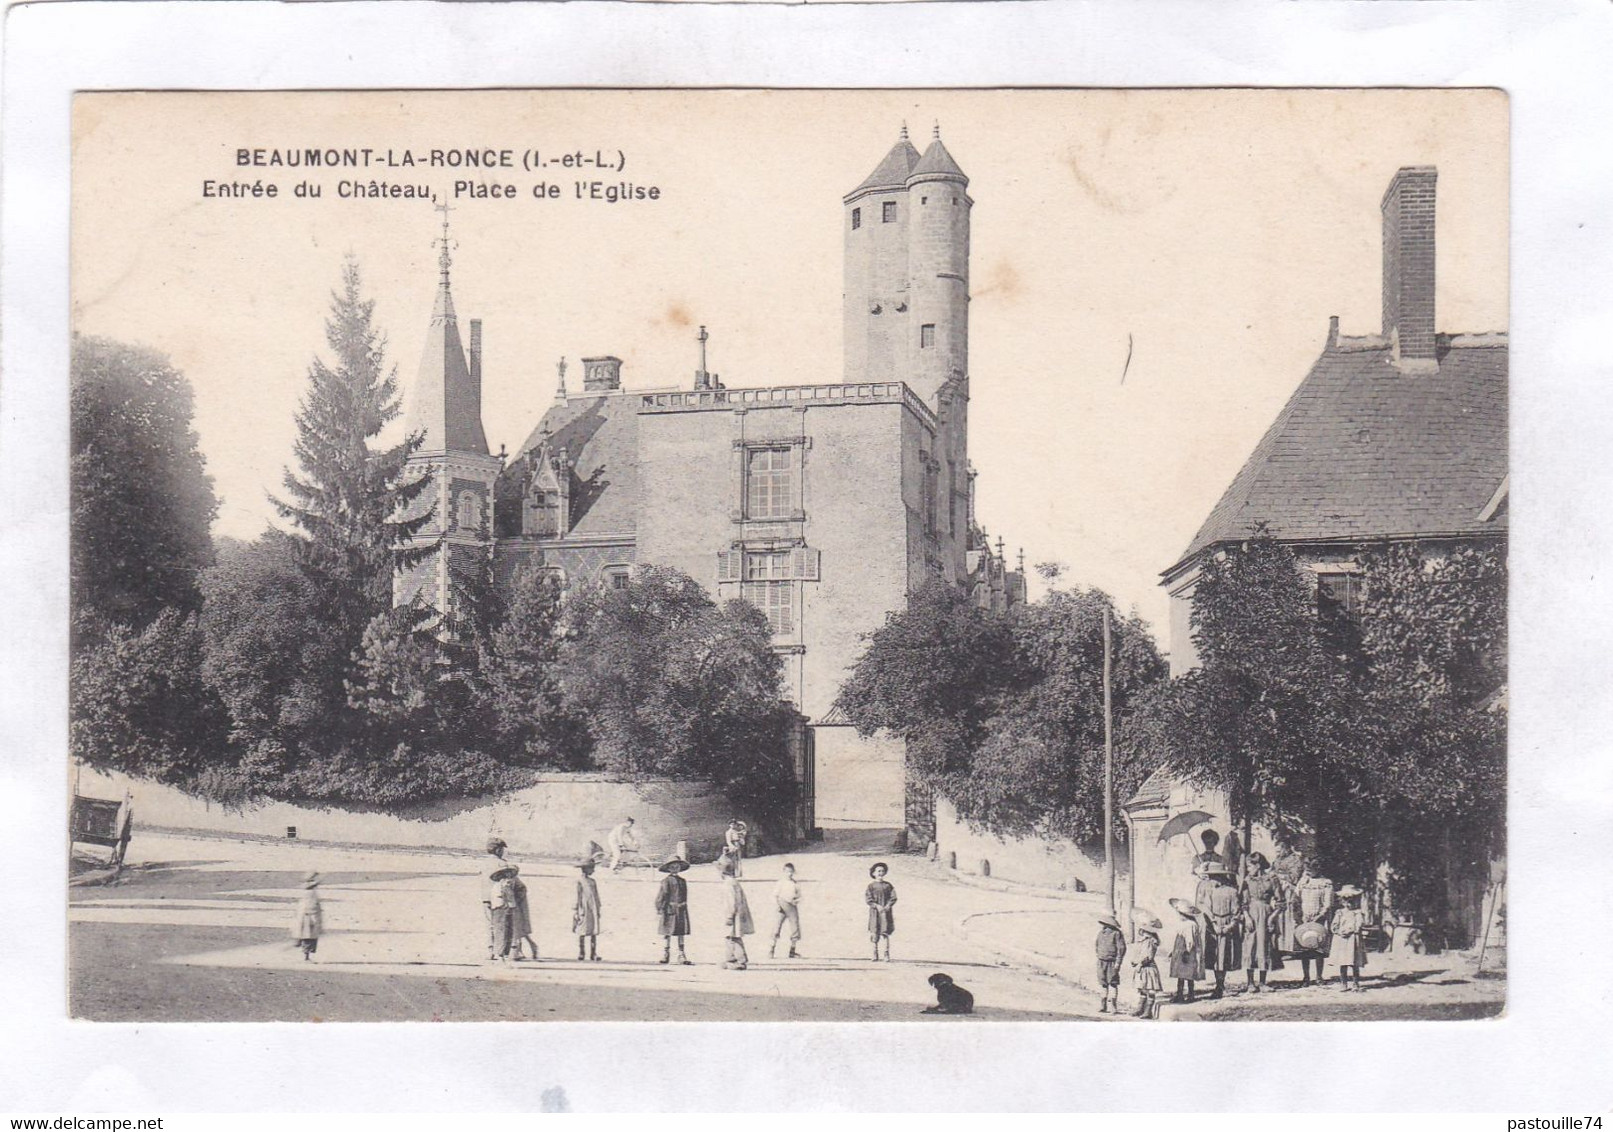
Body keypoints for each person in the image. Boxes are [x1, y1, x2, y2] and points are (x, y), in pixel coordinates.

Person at [1240, 852, 1283, 993]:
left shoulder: (1272, 879)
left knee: (1264, 945)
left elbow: (1281, 902)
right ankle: (1250, 983)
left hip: (1266, 914)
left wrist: (1272, 917)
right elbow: (1243, 902)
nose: (1248, 869)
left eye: (1249, 866)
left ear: (1258, 865)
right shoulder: (1246, 881)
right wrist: (1246, 916)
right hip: (1251, 913)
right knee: (1250, 945)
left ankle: (1263, 982)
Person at [1199, 864, 1242, 999]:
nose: (1211, 880)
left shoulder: (1232, 891)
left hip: (1227, 925)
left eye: (1213, 877)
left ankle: (1220, 984)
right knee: (1215, 956)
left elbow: (1237, 911)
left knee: (1224, 956)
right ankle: (1218, 984)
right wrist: (1214, 924)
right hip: (1214, 925)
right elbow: (1207, 909)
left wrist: (1230, 926)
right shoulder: (1211, 891)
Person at [1291, 863, 1336, 986]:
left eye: (1311, 870)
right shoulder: (1303, 882)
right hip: (1304, 917)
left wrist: (1320, 916)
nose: (1309, 873)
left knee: (1318, 947)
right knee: (1304, 947)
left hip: (1319, 917)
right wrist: (1300, 916)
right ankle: (1306, 977)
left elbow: (1328, 903)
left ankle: (1319, 976)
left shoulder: (1325, 883)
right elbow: (1296, 898)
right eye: (1307, 870)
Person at [654, 852, 693, 965]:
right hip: (669, 910)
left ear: (680, 868)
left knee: (681, 932)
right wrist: (660, 909)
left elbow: (684, 896)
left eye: (677, 866)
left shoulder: (683, 881)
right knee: (668, 932)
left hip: (681, 910)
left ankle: (681, 954)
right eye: (672, 866)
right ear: (668, 868)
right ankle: (665, 953)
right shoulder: (666, 881)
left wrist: (683, 906)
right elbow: (661, 896)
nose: (675, 868)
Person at [1329, 884, 1369, 992]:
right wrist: (1338, 931)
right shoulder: (1340, 912)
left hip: (1353, 939)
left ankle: (1355, 983)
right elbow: (1334, 925)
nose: (1349, 903)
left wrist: (1350, 930)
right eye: (1346, 900)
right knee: (1343, 962)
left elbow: (1359, 925)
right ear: (1342, 901)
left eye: (1351, 900)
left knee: (1354, 962)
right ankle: (1344, 983)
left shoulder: (1357, 913)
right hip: (1342, 940)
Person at [719, 855, 754, 970]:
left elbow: (731, 902)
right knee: (729, 937)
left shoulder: (728, 884)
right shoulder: (733, 882)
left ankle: (741, 960)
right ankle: (730, 959)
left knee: (734, 937)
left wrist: (729, 916)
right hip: (736, 914)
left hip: (733, 915)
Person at [1167, 897, 1204, 1003]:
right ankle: (1180, 994)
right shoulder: (1184, 924)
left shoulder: (1190, 925)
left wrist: (1187, 952)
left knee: (1189, 975)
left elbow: (1190, 940)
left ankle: (1191, 995)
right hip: (1182, 952)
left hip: (1187, 954)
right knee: (1181, 975)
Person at [1130, 912, 1165, 1019]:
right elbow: (1139, 953)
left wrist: (1141, 963)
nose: (1140, 931)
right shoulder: (1143, 941)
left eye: (1143, 929)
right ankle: (1140, 1008)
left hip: (1148, 967)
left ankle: (1148, 1010)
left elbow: (1148, 956)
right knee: (1142, 988)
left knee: (1150, 989)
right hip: (1141, 967)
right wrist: (1135, 961)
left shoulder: (1151, 942)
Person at [480, 837, 509, 960]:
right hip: (498, 898)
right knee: (500, 925)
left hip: (485, 897)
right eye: (502, 849)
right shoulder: (502, 863)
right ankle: (500, 952)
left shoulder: (484, 863)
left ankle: (490, 951)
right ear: (497, 850)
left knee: (489, 924)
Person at [1094, 911, 1128, 1014]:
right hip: (1101, 961)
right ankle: (1103, 1005)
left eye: (1106, 924)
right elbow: (1097, 945)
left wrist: (1118, 962)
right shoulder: (1101, 933)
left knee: (1113, 983)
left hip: (1112, 962)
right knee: (1103, 983)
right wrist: (1099, 956)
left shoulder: (1117, 934)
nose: (1104, 926)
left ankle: (1113, 1006)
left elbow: (1121, 949)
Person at [769, 862, 803, 959]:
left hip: (791, 906)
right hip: (781, 905)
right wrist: (777, 905)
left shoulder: (795, 884)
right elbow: (774, 895)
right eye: (787, 872)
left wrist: (796, 901)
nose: (790, 874)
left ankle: (792, 950)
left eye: (791, 872)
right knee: (776, 926)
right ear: (783, 872)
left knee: (795, 926)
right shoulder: (780, 883)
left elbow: (799, 896)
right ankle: (771, 949)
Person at [866, 862, 898, 961]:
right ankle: (874, 953)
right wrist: (876, 905)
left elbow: (893, 897)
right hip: (875, 912)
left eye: (882, 871)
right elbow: (868, 899)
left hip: (885, 912)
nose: (880, 873)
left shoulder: (888, 885)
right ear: (874, 873)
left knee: (885, 932)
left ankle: (886, 953)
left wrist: (888, 906)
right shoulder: (871, 886)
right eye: (878, 871)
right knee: (874, 932)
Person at [573, 858, 603, 961]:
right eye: (592, 868)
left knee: (593, 931)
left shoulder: (593, 881)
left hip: (593, 908)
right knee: (582, 931)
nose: (593, 871)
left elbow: (596, 895)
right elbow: (577, 896)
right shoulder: (579, 881)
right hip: (584, 909)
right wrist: (576, 910)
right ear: (586, 869)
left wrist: (598, 908)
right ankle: (582, 953)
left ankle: (593, 953)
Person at [508, 864, 538, 961]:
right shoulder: (515, 880)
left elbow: (521, 892)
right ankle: (527, 948)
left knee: (516, 930)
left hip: (517, 909)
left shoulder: (515, 881)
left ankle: (519, 951)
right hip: (517, 908)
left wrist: (514, 900)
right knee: (519, 931)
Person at [488, 865, 518, 961]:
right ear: (501, 878)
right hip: (500, 911)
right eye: (506, 877)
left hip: (508, 911)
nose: (509, 879)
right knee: (501, 932)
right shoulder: (497, 887)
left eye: (510, 877)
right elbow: (498, 901)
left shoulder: (508, 888)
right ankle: (500, 955)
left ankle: (505, 954)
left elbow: (512, 900)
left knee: (509, 932)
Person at [291, 871, 322, 961]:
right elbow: (312, 907)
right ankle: (306, 956)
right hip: (309, 917)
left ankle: (299, 943)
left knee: (306, 935)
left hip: (304, 916)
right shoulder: (311, 893)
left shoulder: (306, 892)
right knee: (308, 936)